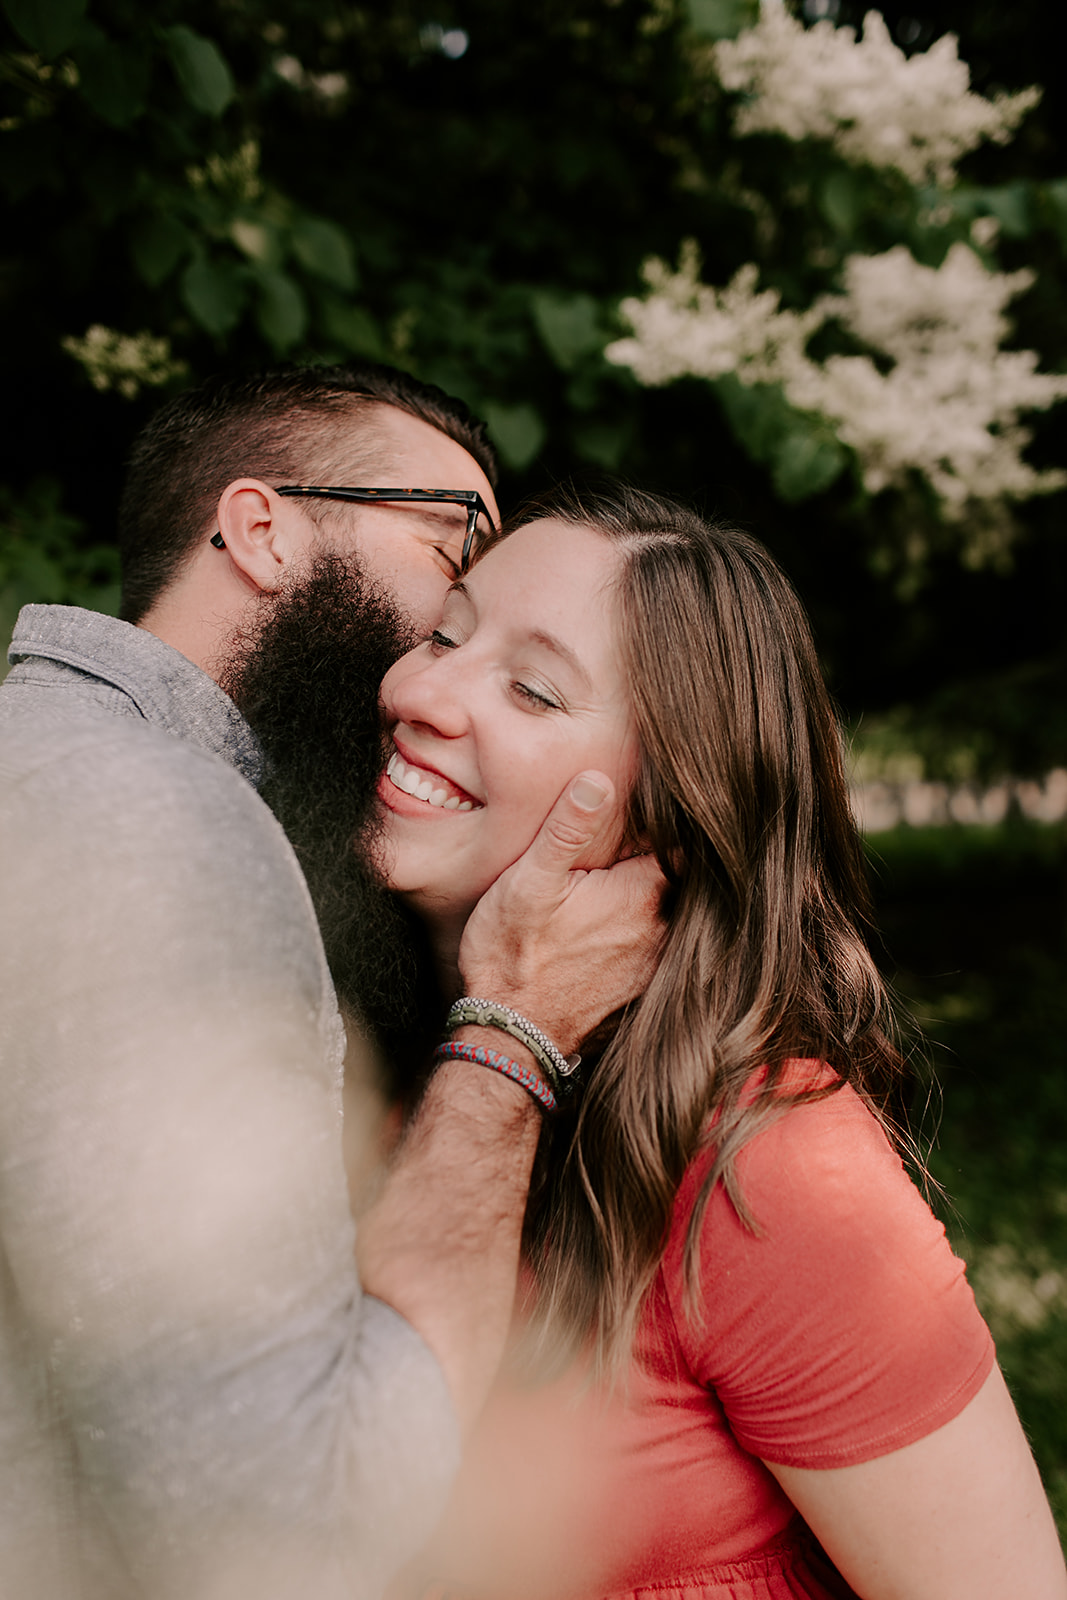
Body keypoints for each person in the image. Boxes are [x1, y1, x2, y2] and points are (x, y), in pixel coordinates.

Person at [0, 365, 663, 1600]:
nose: (445, 646)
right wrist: (512, 1031)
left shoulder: (57, 776)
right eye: (448, 554)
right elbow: (298, 1525)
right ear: (260, 528)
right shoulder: (148, 826)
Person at [367, 479, 1067, 1600]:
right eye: (441, 633)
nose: (416, 688)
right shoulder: (377, 1061)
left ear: (673, 819)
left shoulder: (766, 1167)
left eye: (533, 690)